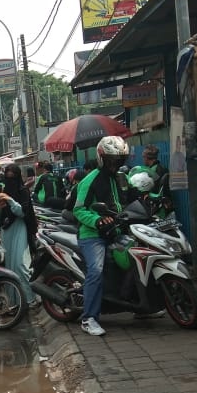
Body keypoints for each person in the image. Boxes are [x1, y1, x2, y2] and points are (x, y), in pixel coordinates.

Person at [73, 136, 130, 336]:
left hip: (117, 231)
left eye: (119, 160)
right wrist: (97, 220)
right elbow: (78, 210)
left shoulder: (122, 177)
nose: (116, 164)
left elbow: (133, 197)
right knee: (95, 271)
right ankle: (89, 318)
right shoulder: (90, 180)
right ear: (102, 158)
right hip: (92, 235)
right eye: (112, 160)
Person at [0, 164, 38, 308]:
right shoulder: (2, 191)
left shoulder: (22, 190)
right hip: (7, 230)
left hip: (20, 228)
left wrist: (11, 200)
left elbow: (22, 212)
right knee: (8, 267)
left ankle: (30, 298)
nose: (10, 178)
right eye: (7, 175)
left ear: (18, 175)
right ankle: (14, 301)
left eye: (12, 174)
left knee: (20, 264)